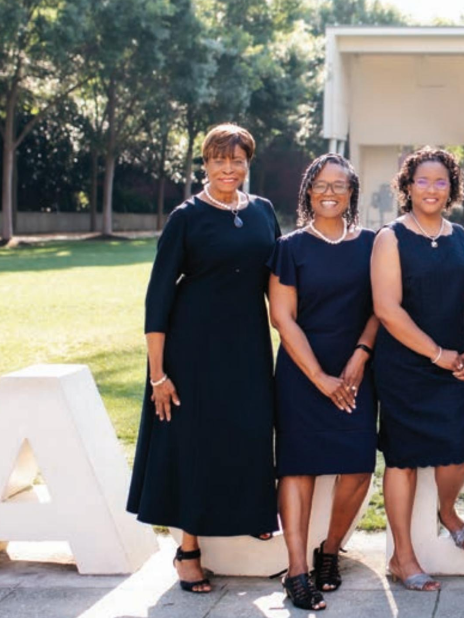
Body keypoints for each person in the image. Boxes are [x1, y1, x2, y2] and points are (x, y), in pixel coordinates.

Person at [127, 123, 279, 594]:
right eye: (218, 160)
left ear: (248, 163)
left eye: (237, 160)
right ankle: (188, 550)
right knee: (195, 441)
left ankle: (252, 513)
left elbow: (277, 281)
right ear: (205, 164)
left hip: (248, 343)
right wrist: (158, 375)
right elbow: (157, 300)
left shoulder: (263, 211)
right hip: (192, 348)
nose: (228, 169)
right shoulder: (186, 217)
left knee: (252, 428)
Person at [267, 154, 378, 610]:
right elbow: (282, 318)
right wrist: (318, 377)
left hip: (356, 372)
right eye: (321, 184)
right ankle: (296, 572)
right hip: (301, 373)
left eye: (339, 185)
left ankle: (329, 551)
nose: (329, 193)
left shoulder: (372, 244)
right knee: (298, 468)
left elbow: (383, 306)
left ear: (352, 193)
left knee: (358, 467)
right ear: (308, 191)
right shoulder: (290, 247)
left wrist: (361, 354)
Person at [370, 147, 464, 592]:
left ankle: (447, 511)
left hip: (456, 366)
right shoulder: (391, 238)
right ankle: (403, 556)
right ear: (408, 186)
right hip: (405, 367)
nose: (431, 189)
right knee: (403, 461)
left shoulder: (460, 237)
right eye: (422, 181)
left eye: (440, 181)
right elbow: (387, 310)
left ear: (451, 188)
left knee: (455, 455)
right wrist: (437, 354)